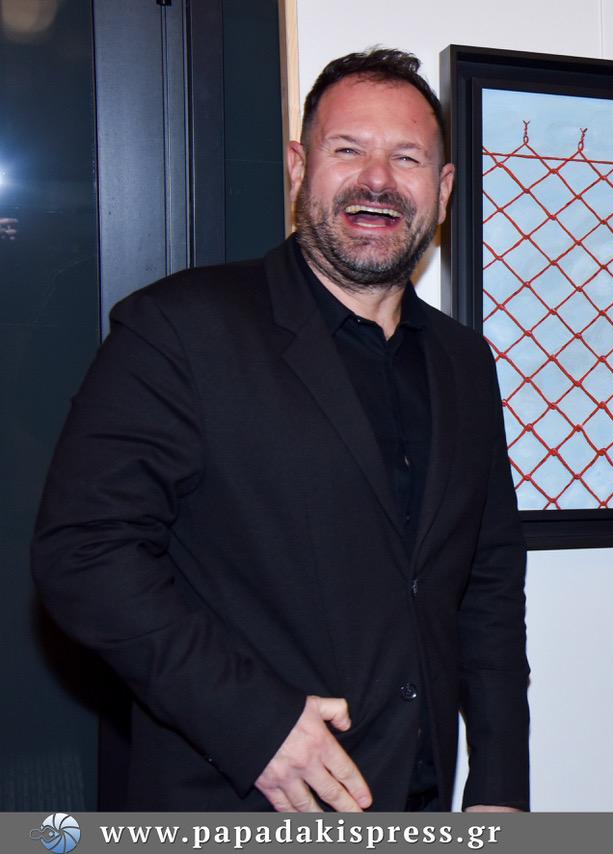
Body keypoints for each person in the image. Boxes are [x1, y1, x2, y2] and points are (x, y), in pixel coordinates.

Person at [31, 49, 529, 813]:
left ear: (444, 189)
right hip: (240, 800)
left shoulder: (465, 362)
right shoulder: (181, 330)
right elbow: (84, 553)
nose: (377, 180)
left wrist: (499, 786)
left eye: (407, 158)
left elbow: (488, 584)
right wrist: (255, 723)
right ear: (299, 168)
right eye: (348, 149)